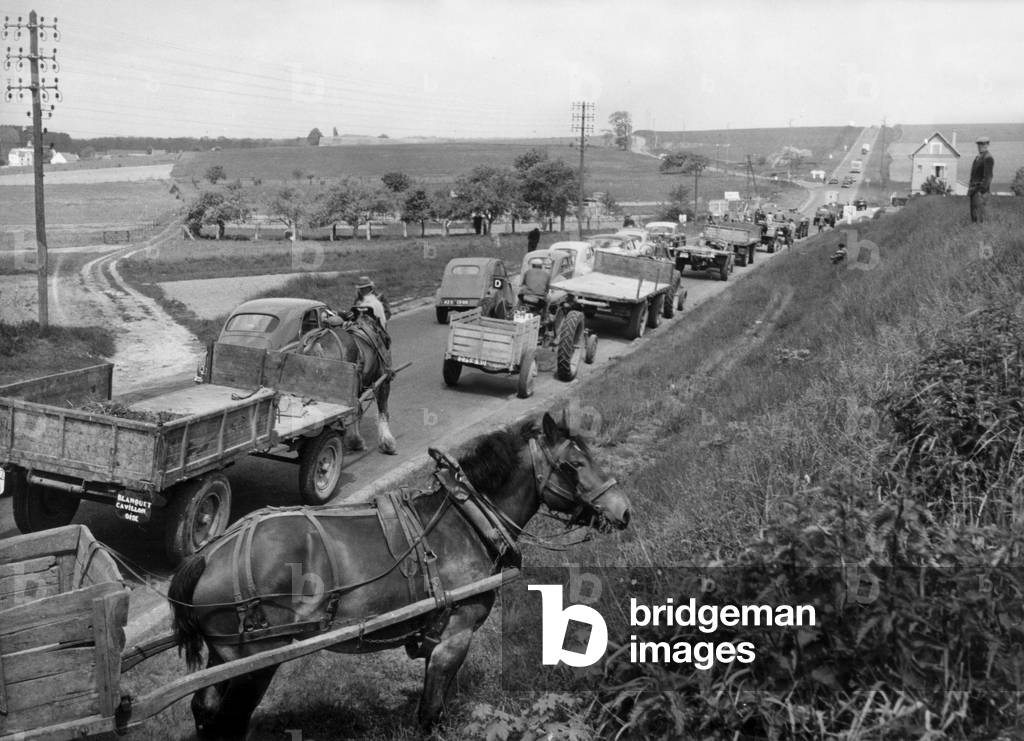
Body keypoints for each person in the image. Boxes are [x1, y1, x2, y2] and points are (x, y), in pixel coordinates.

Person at [968, 136, 994, 224]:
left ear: (988, 145)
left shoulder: (988, 158)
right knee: (974, 217)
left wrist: (981, 191)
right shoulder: (978, 157)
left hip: (980, 193)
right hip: (974, 191)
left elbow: (988, 177)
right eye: (979, 144)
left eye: (984, 144)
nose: (981, 146)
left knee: (980, 218)